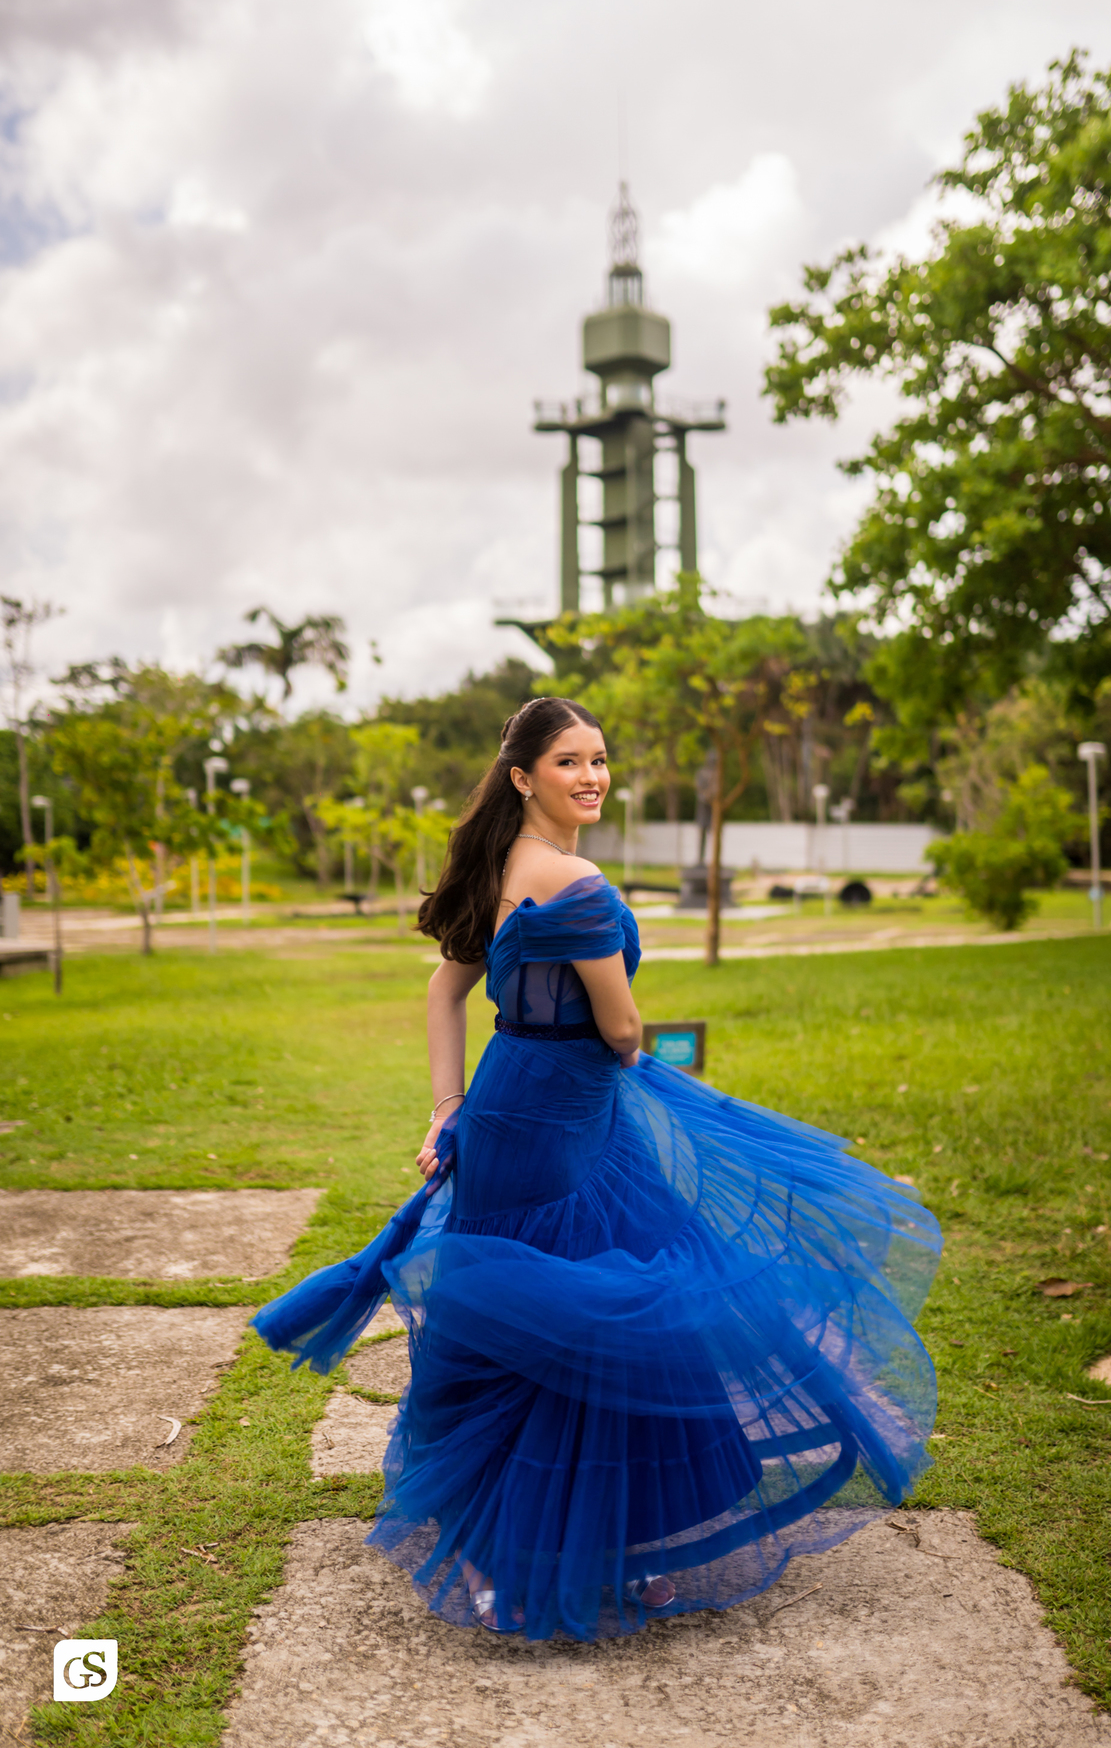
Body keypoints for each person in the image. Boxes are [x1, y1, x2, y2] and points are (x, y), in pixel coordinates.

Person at [254, 696, 941, 1642]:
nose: (591, 777)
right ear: (523, 777)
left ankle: (578, 1547)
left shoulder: (497, 867)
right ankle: (563, 1555)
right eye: (569, 761)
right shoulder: (575, 882)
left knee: (530, 1318)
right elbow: (620, 1029)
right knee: (598, 1315)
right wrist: (636, 1062)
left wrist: (448, 1105)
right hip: (563, 1123)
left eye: (601, 759)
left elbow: (444, 991)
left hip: (512, 1110)